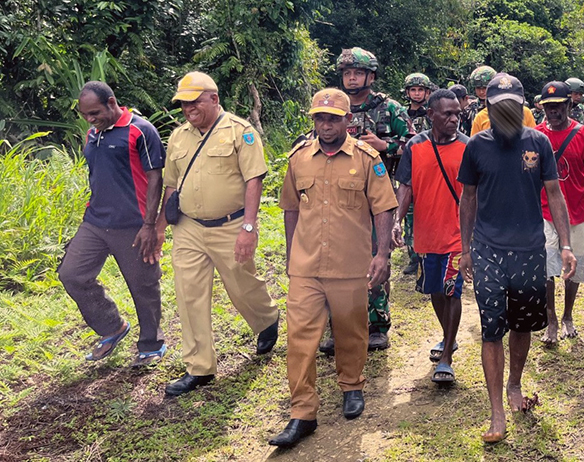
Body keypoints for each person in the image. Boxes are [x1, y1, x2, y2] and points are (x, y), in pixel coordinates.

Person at [269, 88, 397, 448]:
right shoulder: (299, 158)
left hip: (350, 263)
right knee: (299, 338)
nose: (325, 125)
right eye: (319, 118)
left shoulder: (367, 158)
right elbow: (291, 207)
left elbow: (383, 207)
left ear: (348, 120)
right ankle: (302, 412)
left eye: (333, 118)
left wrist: (382, 254)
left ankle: (352, 385)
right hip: (307, 265)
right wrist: (293, 253)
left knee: (351, 331)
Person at [457, 73, 576, 444]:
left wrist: (566, 245)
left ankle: (514, 384)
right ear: (488, 109)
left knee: (522, 325)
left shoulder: (538, 143)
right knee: (491, 330)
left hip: (529, 251)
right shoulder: (476, 146)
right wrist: (464, 249)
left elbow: (555, 195)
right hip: (488, 250)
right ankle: (496, 410)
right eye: (498, 107)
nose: (505, 112)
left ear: (522, 107)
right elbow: (468, 199)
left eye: (512, 106)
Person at [156, 72, 280, 397]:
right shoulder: (178, 138)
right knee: (188, 295)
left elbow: (254, 179)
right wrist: (158, 228)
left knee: (241, 283)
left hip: (230, 224)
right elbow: (171, 185)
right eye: (183, 103)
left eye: (194, 101)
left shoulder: (240, 132)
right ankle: (200, 368)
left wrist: (248, 228)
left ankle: (266, 318)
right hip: (188, 228)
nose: (188, 108)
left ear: (213, 98)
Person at [59, 81, 166, 366]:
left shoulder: (140, 130)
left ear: (111, 102)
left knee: (143, 284)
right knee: (71, 274)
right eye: (85, 115)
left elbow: (155, 177)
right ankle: (112, 327)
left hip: (134, 224)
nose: (90, 119)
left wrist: (150, 225)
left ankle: (151, 344)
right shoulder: (92, 134)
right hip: (95, 222)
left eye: (94, 112)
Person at [334, 47, 413, 351]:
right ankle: (340, 324)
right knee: (337, 260)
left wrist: (385, 144)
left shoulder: (390, 109)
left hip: (378, 193)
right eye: (346, 73)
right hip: (339, 194)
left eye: (357, 72)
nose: (351, 78)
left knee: (376, 257)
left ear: (370, 75)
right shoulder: (335, 106)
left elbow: (413, 144)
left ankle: (377, 324)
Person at [393, 88, 468, 385]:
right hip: (426, 233)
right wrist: (397, 221)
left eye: (457, 114)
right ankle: (448, 336)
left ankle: (447, 354)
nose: (454, 119)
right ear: (431, 115)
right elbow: (406, 187)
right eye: (447, 114)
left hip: (458, 235)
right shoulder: (415, 146)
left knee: (453, 291)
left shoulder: (469, 147)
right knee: (436, 291)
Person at [534, 81, 584, 344]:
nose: (553, 111)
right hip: (544, 212)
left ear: (569, 105)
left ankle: (567, 316)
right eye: (548, 106)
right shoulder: (536, 134)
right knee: (545, 268)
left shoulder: (583, 134)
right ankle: (550, 319)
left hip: (576, 212)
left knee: (572, 268)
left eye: (558, 106)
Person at [401, 72, 435, 276]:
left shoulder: (431, 114)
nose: (416, 93)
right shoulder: (400, 114)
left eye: (420, 90)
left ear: (427, 92)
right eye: (412, 90)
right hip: (406, 171)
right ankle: (413, 258)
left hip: (428, 171)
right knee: (408, 216)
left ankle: (427, 256)